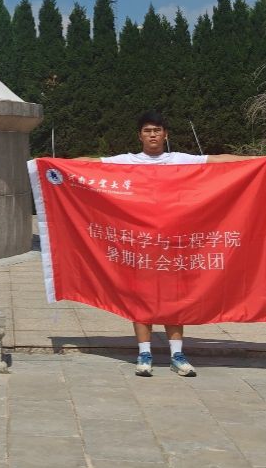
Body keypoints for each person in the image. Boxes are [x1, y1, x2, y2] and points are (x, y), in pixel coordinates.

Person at [97, 110, 257, 379]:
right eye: (147, 131)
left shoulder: (180, 160)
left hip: (174, 245)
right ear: (140, 136)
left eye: (157, 131)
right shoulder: (127, 161)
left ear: (165, 134)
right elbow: (91, 164)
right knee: (141, 299)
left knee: (174, 300)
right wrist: (49, 164)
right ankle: (144, 354)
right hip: (140, 245)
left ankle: (177, 355)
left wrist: (257, 160)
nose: (152, 135)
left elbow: (217, 160)